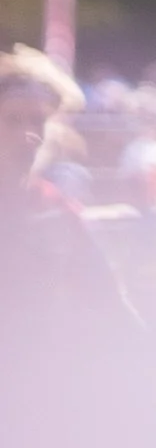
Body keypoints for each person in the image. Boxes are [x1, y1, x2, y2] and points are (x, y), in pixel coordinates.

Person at [0, 46, 137, 335]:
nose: (28, 135)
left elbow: (109, 300)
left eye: (37, 121)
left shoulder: (54, 209)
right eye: (12, 121)